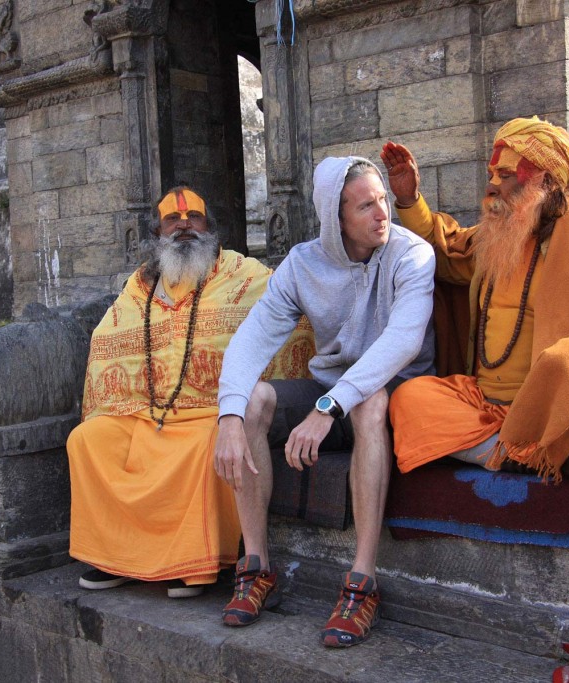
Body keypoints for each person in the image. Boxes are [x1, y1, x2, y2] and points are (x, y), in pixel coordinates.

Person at [213, 156, 436, 647]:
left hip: (400, 394)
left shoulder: (412, 255)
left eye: (382, 200)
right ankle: (256, 566)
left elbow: (400, 342)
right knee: (252, 402)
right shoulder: (303, 264)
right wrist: (228, 416)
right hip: (332, 394)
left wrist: (327, 408)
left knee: (370, 401)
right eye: (366, 206)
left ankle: (362, 581)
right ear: (336, 221)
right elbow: (252, 340)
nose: (383, 213)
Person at [379, 116, 569, 482]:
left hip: (552, 400)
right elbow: (446, 252)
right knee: (410, 398)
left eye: (506, 175)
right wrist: (409, 199)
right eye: (493, 174)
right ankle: (523, 453)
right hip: (483, 403)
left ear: (545, 181)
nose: (492, 185)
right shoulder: (497, 236)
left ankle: (522, 446)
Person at [67, 186, 312, 598]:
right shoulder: (138, 288)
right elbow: (108, 338)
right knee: (87, 440)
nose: (183, 225)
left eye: (194, 217)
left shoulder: (244, 277)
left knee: (210, 443)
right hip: (147, 413)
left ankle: (190, 566)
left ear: (210, 228)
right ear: (156, 234)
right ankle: (118, 558)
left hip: (210, 413)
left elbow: (292, 320)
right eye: (172, 220)